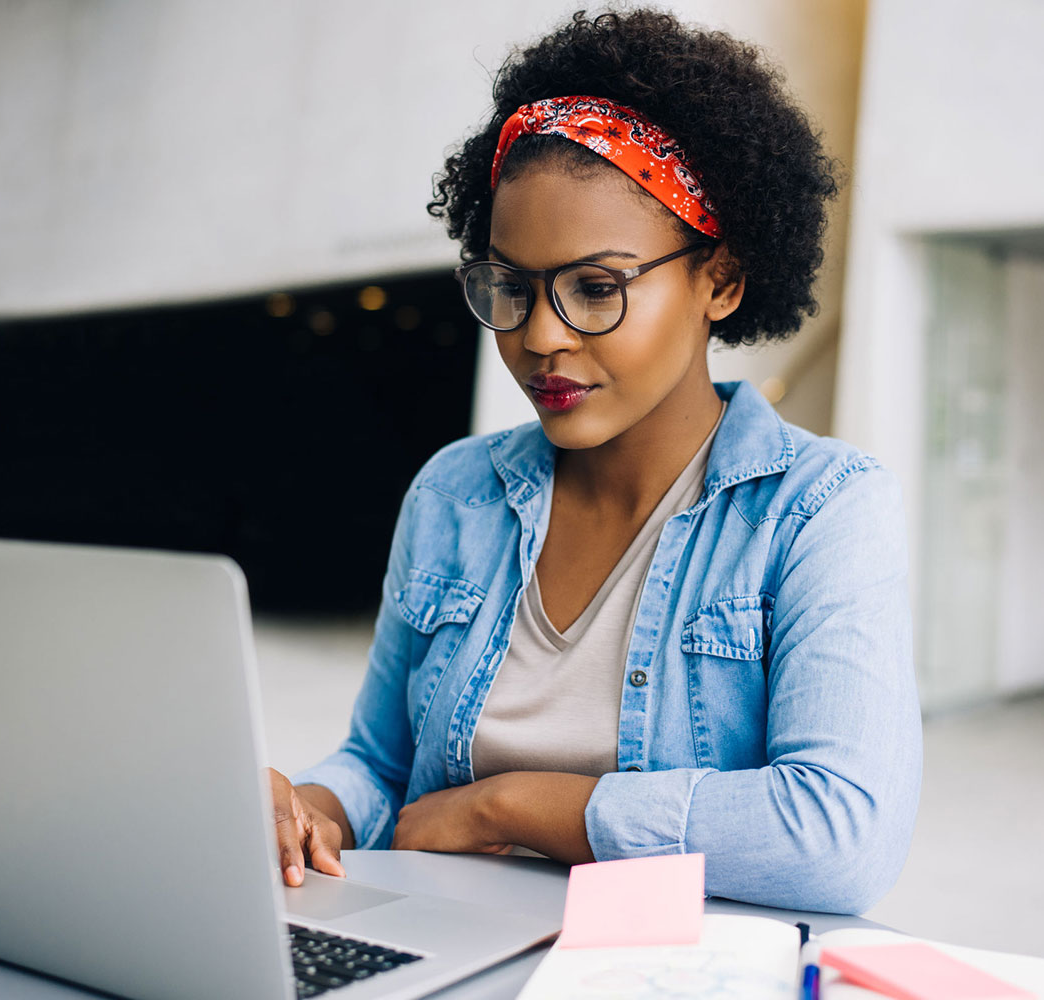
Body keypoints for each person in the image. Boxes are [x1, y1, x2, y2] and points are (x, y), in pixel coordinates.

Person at [265, 7, 920, 914]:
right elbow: (382, 765)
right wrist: (314, 807)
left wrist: (518, 805)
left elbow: (839, 835)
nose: (540, 337)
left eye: (596, 288)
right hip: (441, 945)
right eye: (511, 287)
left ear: (720, 280)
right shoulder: (455, 494)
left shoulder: (819, 510)